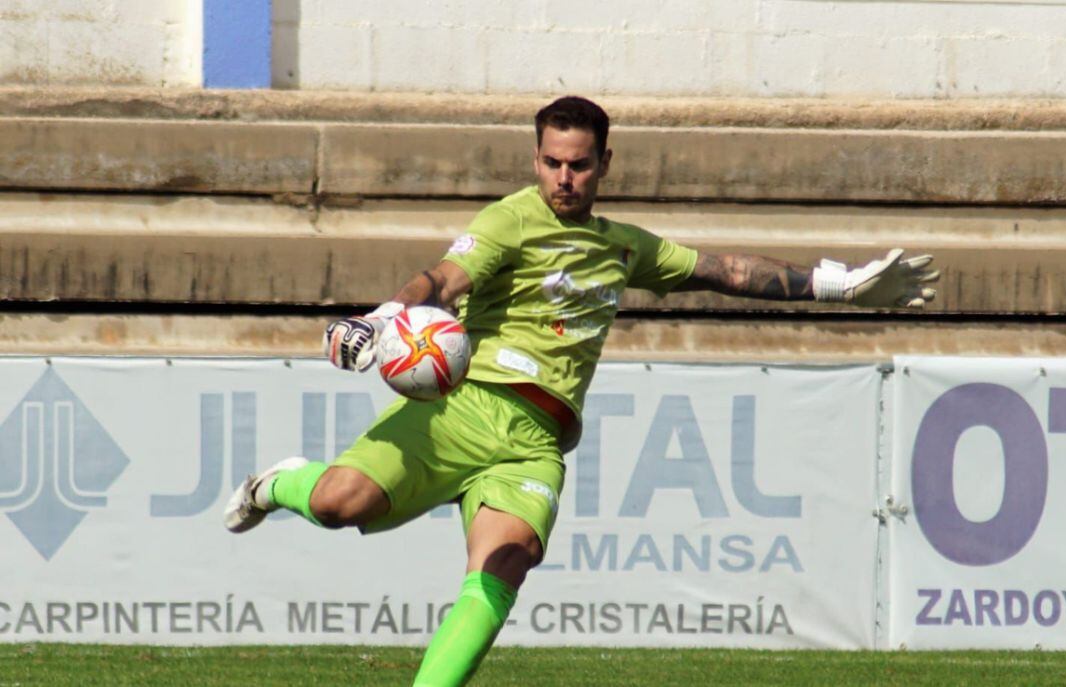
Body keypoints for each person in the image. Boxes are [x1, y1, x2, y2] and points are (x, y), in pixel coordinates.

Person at [224, 96, 938, 686]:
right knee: (337, 505)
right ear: (536, 159)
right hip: (460, 409)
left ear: (604, 164)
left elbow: (723, 270)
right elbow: (443, 280)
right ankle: (278, 483)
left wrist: (837, 282)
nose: (564, 177)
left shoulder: (623, 246)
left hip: (534, 443)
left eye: (579, 164)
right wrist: (389, 314)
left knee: (505, 563)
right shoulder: (510, 219)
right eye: (551, 162)